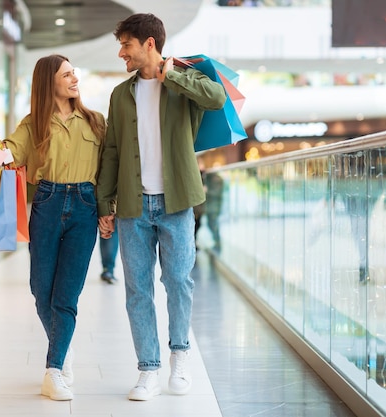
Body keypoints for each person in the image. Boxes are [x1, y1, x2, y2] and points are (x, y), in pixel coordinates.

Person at [0, 54, 106, 401]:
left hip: (84, 206)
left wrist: (108, 209)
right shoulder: (33, 125)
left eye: (74, 73)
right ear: (48, 82)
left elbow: (108, 170)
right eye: (67, 74)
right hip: (47, 205)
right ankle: (63, 348)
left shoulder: (97, 123)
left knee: (66, 296)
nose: (74, 79)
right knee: (41, 292)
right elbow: (4, 155)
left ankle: (53, 370)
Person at [96, 13, 226, 401]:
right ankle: (148, 368)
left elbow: (216, 99)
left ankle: (180, 355)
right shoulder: (121, 94)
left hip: (177, 202)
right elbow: (113, 150)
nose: (122, 53)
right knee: (137, 289)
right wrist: (105, 202)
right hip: (134, 206)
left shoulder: (184, 80)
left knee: (178, 282)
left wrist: (174, 77)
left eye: (127, 45)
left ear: (149, 44)